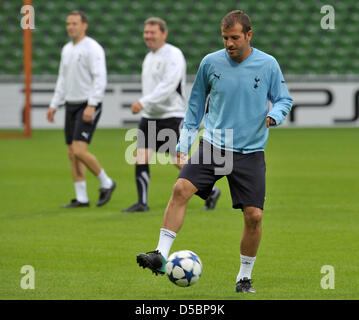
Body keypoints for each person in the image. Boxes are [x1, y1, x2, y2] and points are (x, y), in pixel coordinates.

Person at [136, 10, 293, 293]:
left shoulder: (268, 64)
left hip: (250, 151)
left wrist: (276, 115)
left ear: (249, 35)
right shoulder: (210, 63)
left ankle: (244, 277)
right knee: (181, 188)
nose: (229, 43)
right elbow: (195, 107)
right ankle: (160, 254)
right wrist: (183, 144)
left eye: (235, 38)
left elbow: (283, 99)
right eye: (225, 38)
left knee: (254, 216)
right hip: (215, 145)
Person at [122, 17, 221, 213]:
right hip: (150, 116)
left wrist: (143, 102)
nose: (148, 36)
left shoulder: (174, 54)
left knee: (179, 161)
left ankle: (211, 192)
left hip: (171, 115)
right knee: (141, 156)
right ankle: (142, 202)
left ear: (163, 33)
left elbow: (168, 86)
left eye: (152, 32)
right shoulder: (149, 57)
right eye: (146, 32)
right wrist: (146, 105)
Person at [46, 11, 116, 208]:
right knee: (72, 152)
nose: (70, 27)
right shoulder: (67, 49)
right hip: (70, 103)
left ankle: (107, 182)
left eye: (74, 23)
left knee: (79, 149)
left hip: (87, 104)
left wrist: (92, 104)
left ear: (84, 25)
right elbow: (62, 78)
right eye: (68, 23)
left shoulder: (93, 48)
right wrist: (54, 104)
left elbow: (100, 78)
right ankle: (82, 198)